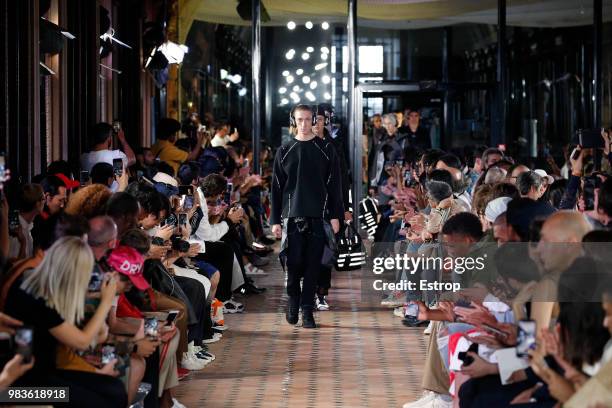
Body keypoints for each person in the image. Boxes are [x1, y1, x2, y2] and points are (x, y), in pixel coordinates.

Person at [271, 104, 344, 328]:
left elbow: (335, 185)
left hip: (319, 216)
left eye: (307, 119)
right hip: (292, 216)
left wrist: (336, 215)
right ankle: (293, 302)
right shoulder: (284, 150)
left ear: (314, 121)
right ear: (293, 121)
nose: (303, 124)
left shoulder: (325, 149)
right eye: (299, 119)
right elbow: (276, 187)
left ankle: (307, 311)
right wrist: (275, 220)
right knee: (292, 266)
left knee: (314, 266)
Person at [8, 184, 44, 260]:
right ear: (38, 204)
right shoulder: (16, 230)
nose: (45, 202)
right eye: (43, 199)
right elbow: (13, 267)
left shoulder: (27, 228)